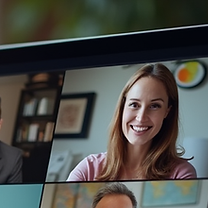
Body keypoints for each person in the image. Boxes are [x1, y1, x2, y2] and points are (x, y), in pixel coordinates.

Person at [68, 63, 196, 182]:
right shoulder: (88, 168)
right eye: (134, 104)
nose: (141, 118)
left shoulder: (181, 173)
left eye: (155, 106)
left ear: (167, 112)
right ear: (123, 106)